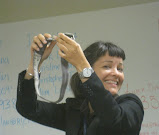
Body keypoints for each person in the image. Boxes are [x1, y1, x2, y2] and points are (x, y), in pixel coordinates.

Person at [16, 33, 144, 135]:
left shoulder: (131, 105)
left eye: (120, 69)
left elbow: (113, 119)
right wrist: (35, 63)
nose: (116, 73)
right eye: (107, 66)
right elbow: (28, 108)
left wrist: (81, 65)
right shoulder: (75, 111)